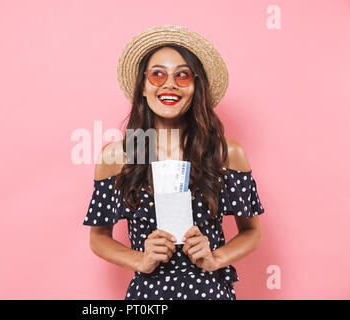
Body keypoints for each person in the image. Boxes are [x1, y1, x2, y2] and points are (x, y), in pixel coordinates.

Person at [82, 25, 265, 300]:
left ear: (195, 87)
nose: (169, 84)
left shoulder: (226, 153)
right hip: (148, 296)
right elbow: (99, 237)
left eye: (182, 75)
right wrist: (140, 259)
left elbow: (252, 232)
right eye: (157, 74)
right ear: (143, 87)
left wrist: (215, 257)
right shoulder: (119, 155)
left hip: (211, 292)